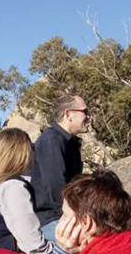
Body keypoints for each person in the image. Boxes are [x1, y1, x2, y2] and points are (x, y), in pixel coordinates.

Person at [31, 94, 89, 242]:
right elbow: (57, 188)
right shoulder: (52, 140)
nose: (89, 117)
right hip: (53, 221)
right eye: (85, 112)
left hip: (64, 219)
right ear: (68, 114)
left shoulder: (68, 143)